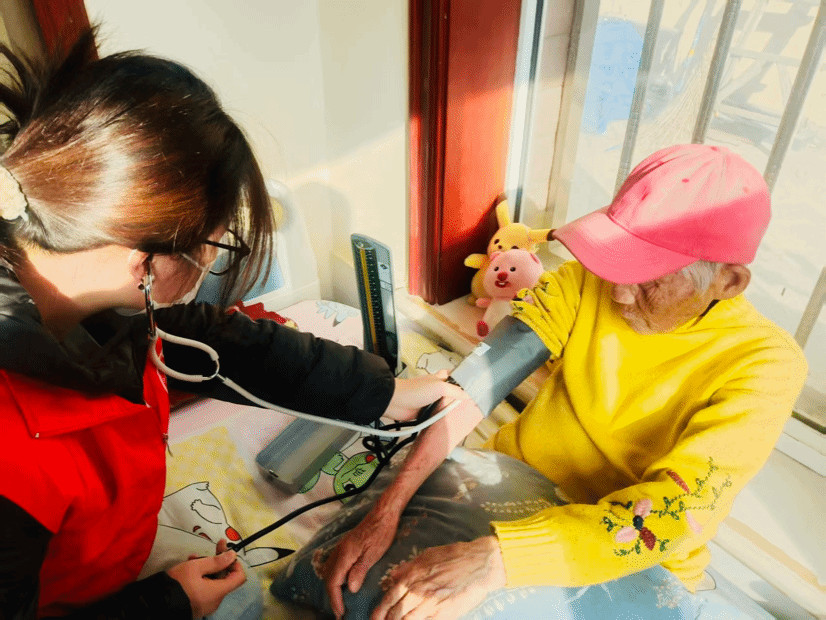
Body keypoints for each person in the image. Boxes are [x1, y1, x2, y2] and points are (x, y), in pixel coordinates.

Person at [0, 30, 466, 620]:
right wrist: (170, 603)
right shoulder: (12, 470)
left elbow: (220, 344)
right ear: (143, 264)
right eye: (214, 248)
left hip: (106, 551)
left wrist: (384, 393)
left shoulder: (88, 291)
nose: (209, 269)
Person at [321, 144, 809, 620]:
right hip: (517, 480)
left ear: (728, 282)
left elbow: (677, 512)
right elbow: (477, 384)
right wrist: (388, 507)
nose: (620, 293)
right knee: (354, 579)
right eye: (620, 264)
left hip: (629, 550)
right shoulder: (584, 281)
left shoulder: (765, 364)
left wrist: (500, 560)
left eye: (649, 279)